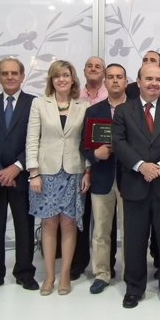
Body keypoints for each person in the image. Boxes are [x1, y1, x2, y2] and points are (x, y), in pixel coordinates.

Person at [112, 64, 160, 309]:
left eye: (158, 79)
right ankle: (134, 288)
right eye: (149, 79)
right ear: (138, 81)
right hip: (135, 185)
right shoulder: (123, 111)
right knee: (134, 241)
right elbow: (119, 143)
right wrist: (141, 165)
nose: (154, 83)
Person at [0, 58, 39, 294]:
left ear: (23, 76)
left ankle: (24, 273)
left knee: (25, 226)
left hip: (21, 177)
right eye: (5, 73)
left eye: (14, 73)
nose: (10, 77)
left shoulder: (35, 104)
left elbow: (37, 139)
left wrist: (17, 167)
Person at [26, 60, 90, 295]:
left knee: (69, 224)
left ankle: (65, 276)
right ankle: (49, 276)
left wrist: (88, 171)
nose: (61, 79)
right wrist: (34, 172)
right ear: (51, 80)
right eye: (56, 76)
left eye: (66, 75)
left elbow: (87, 141)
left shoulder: (83, 106)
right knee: (49, 224)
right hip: (46, 173)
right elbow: (32, 139)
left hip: (74, 172)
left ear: (73, 79)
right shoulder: (39, 104)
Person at [81, 63, 127, 295]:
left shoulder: (138, 108)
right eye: (111, 77)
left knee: (130, 230)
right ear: (105, 82)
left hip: (131, 179)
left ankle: (132, 272)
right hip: (102, 178)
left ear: (126, 81)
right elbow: (84, 146)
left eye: (120, 77)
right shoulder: (93, 111)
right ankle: (102, 273)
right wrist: (94, 154)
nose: (115, 81)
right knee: (100, 231)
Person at [71, 56, 107, 281]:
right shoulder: (75, 97)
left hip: (105, 167)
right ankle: (79, 261)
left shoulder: (112, 96)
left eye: (98, 66)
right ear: (83, 71)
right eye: (90, 66)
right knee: (81, 215)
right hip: (79, 163)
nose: (94, 69)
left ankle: (106, 264)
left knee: (104, 221)